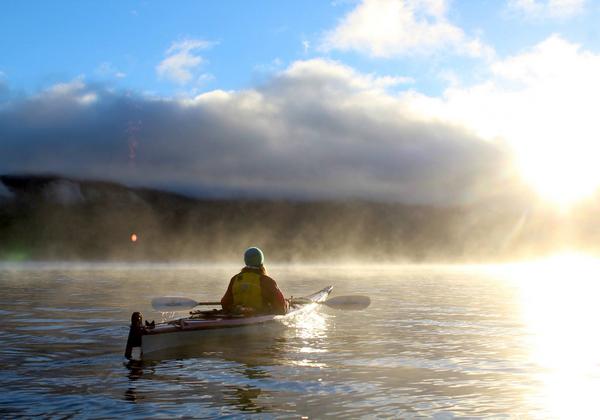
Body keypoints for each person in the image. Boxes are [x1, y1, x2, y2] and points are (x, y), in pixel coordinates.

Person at [221, 247, 288, 315]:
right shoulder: (267, 281)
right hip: (259, 316)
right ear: (261, 261)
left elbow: (224, 303)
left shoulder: (235, 279)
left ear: (245, 260)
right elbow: (281, 308)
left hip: (237, 314)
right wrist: (287, 304)